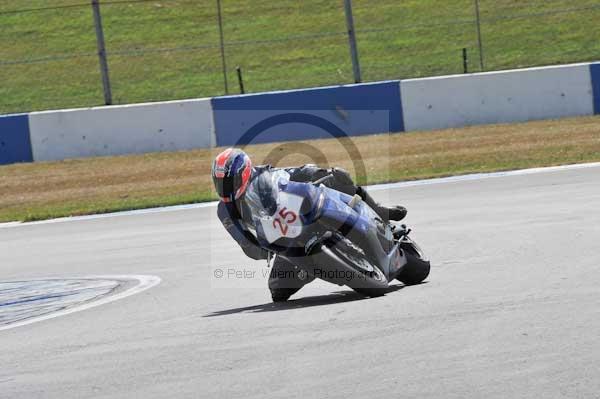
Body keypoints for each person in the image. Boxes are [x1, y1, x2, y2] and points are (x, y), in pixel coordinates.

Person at [212, 147, 407, 302]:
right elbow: (244, 242)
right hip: (284, 242)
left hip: (305, 214)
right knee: (278, 292)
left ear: (244, 172)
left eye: (230, 181)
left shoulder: (264, 175)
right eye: (220, 183)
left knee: (339, 178)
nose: (225, 188)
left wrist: (320, 172)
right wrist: (261, 249)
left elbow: (296, 172)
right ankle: (313, 270)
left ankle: (380, 211)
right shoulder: (225, 211)